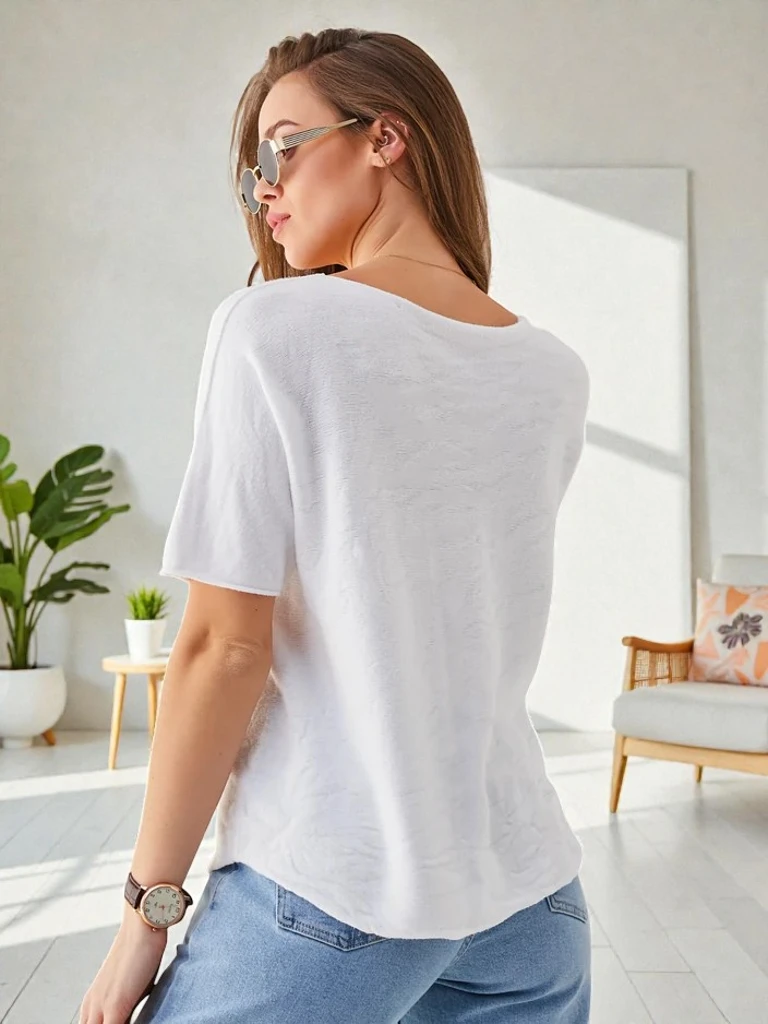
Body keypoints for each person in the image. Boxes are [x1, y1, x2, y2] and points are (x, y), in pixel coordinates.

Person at [80, 26, 591, 1024]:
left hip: (334, 885)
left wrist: (147, 913)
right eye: (252, 175)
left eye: (282, 148)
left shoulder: (274, 328)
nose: (263, 192)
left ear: (384, 139)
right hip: (531, 899)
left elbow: (224, 648)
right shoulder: (551, 371)